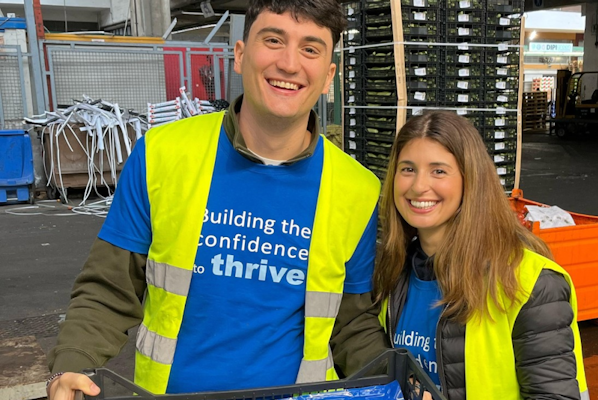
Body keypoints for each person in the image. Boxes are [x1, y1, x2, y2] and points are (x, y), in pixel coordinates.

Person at [46, 0, 388, 398]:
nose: (290, 64)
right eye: (273, 40)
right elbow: (108, 288)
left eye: (310, 49)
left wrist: (395, 383)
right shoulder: (163, 155)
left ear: (328, 75)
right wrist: (70, 364)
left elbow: (353, 323)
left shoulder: (357, 189)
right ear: (240, 55)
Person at [373, 111, 589, 400]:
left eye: (438, 170)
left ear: (470, 180)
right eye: (407, 169)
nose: (418, 186)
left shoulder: (531, 283)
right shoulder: (394, 270)